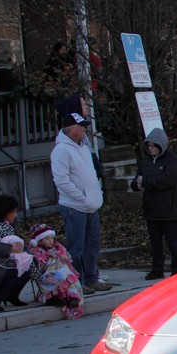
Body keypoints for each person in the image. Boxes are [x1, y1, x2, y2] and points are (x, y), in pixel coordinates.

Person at [51, 112, 111, 294]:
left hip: (91, 204)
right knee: (76, 246)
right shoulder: (61, 151)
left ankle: (92, 277)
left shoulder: (84, 147)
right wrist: (81, 197)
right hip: (75, 206)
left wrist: (93, 197)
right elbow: (62, 180)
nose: (85, 129)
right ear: (70, 128)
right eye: (81, 126)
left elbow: (90, 174)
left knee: (92, 244)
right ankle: (78, 281)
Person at [130, 128, 177, 280]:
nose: (151, 149)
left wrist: (146, 182)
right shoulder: (147, 161)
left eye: (154, 146)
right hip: (152, 209)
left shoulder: (173, 160)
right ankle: (157, 268)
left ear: (161, 145)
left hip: (170, 208)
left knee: (172, 239)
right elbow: (138, 180)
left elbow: (166, 180)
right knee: (155, 241)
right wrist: (136, 185)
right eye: (148, 146)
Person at [27, 222, 84, 319]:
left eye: (51, 238)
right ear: (39, 241)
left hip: (61, 272)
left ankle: (71, 298)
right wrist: (47, 257)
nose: (50, 241)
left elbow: (67, 258)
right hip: (46, 274)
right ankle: (53, 297)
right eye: (47, 239)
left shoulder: (58, 247)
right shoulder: (37, 251)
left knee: (66, 275)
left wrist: (60, 257)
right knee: (58, 273)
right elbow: (38, 264)